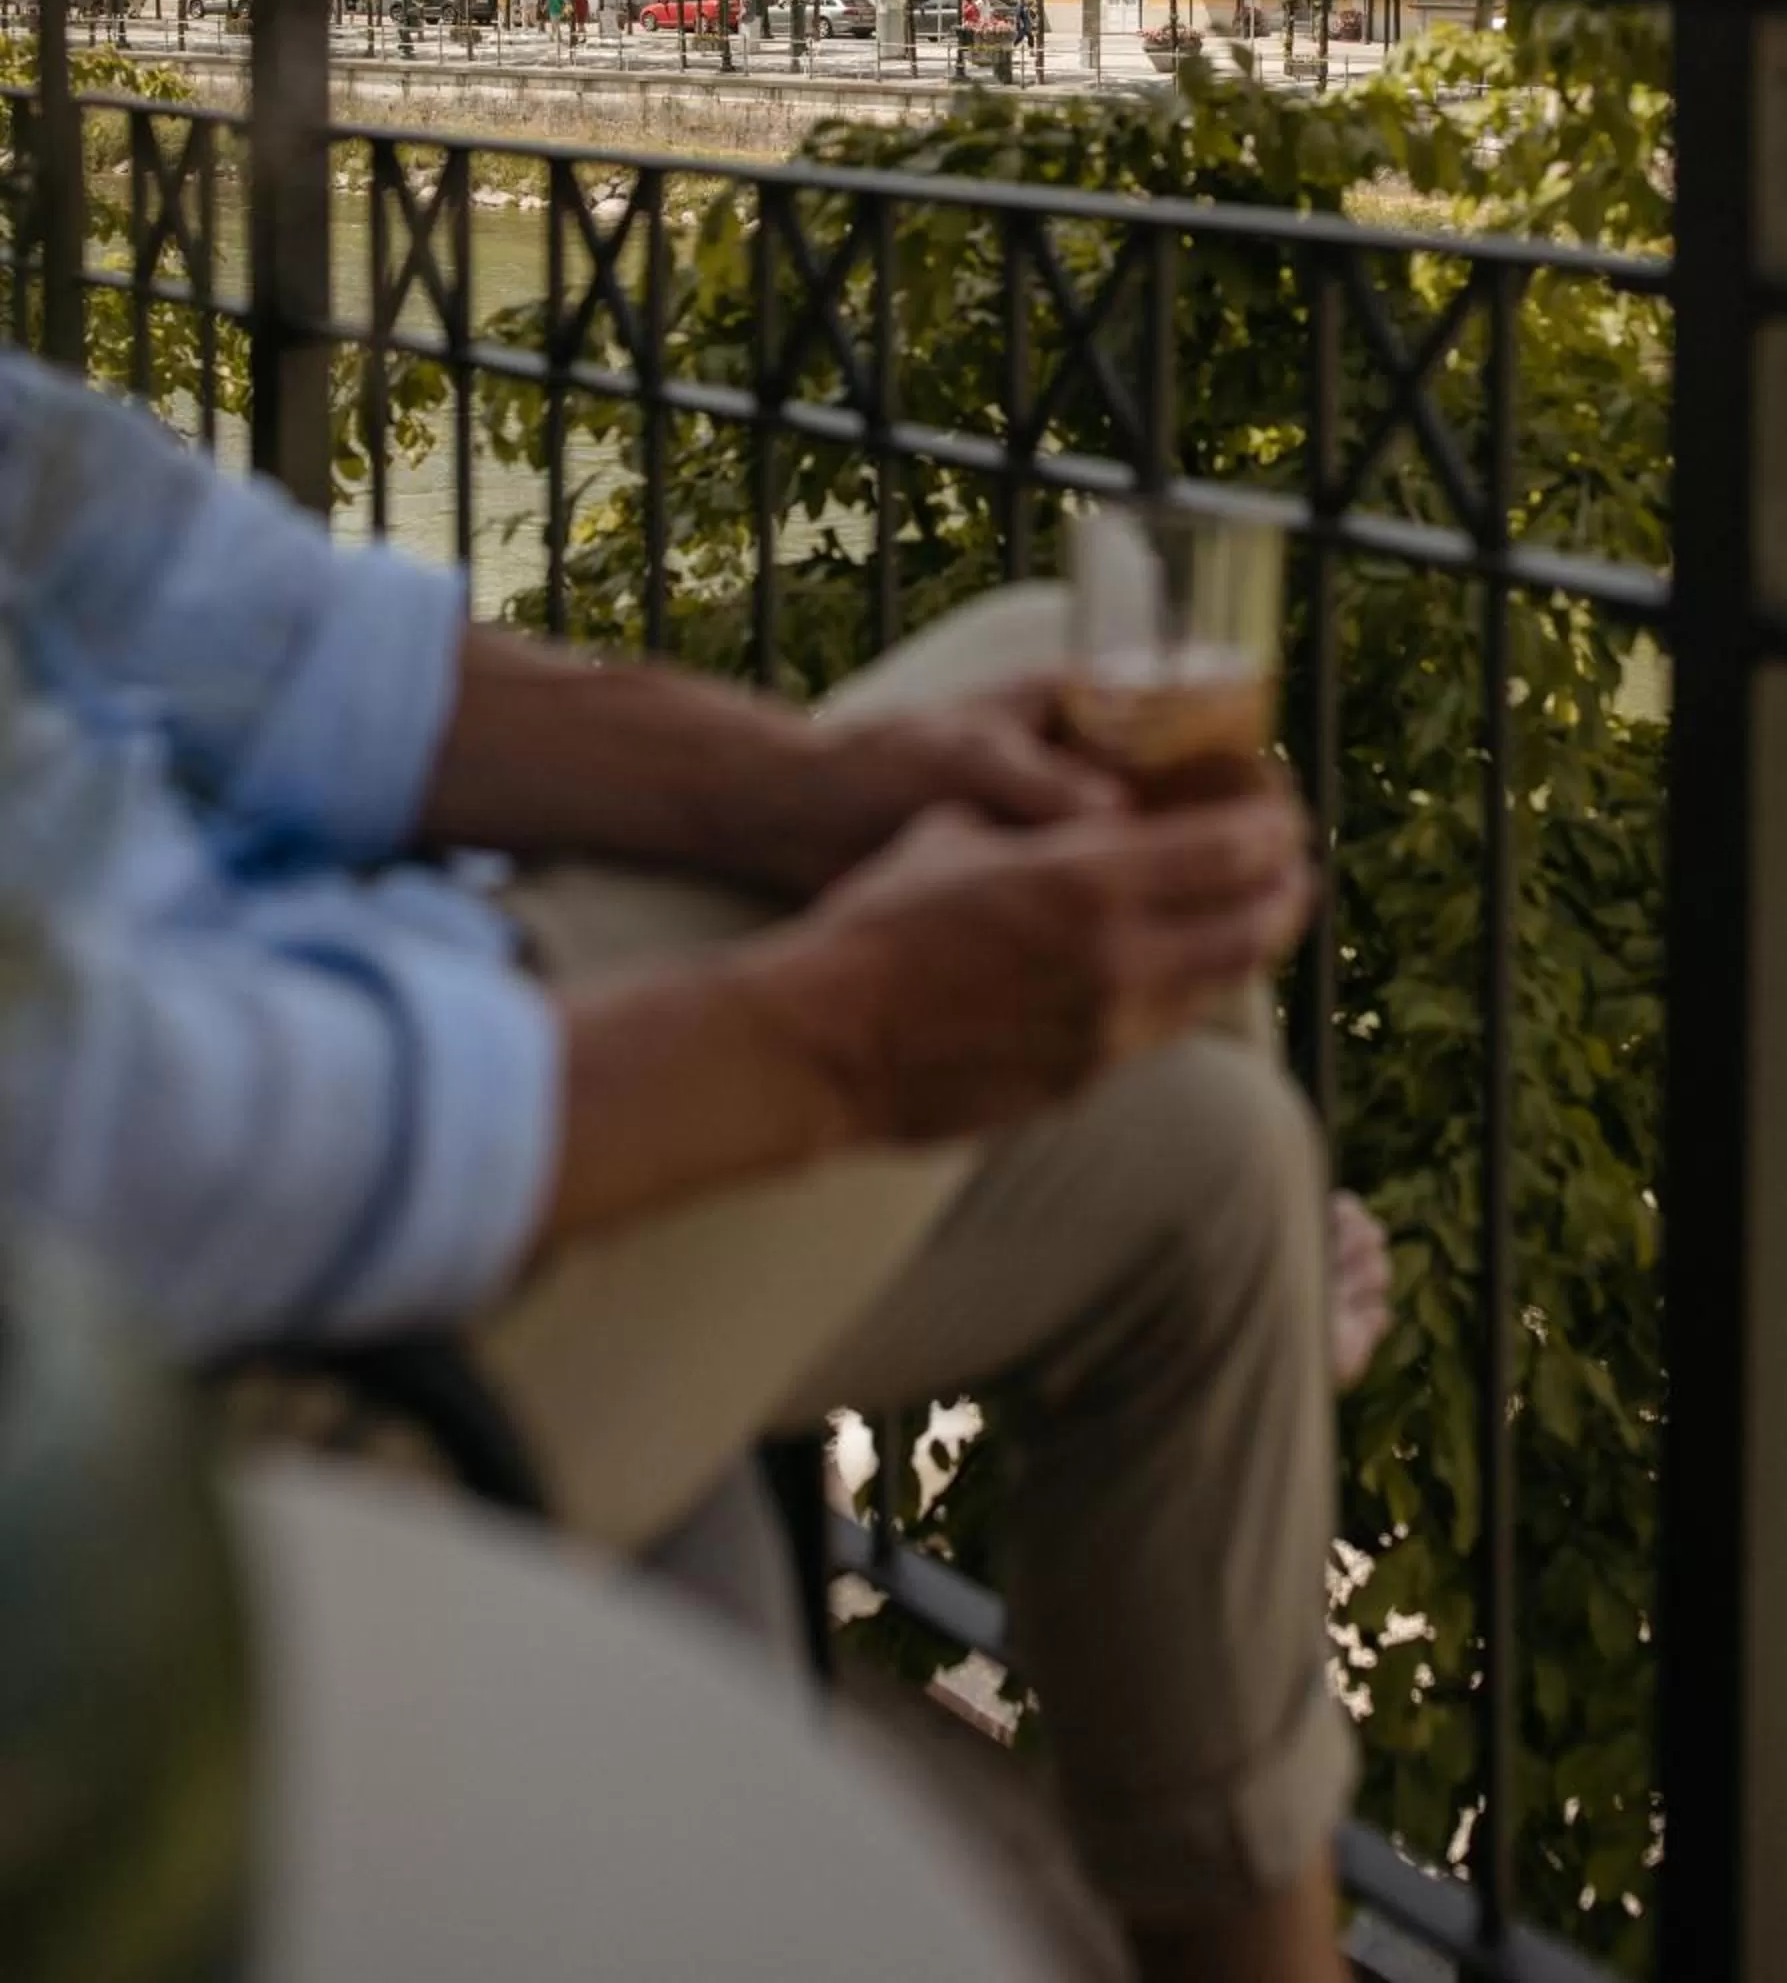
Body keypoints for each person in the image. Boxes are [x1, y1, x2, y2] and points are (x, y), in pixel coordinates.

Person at [0, 351, 1377, 1983]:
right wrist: (828, 1040)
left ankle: (1266, 1264)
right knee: (1109, 744)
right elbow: (78, 1130)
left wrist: (814, 799)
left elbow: (247, 621)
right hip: (150, 1404)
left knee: (1208, 1148)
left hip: (339, 1034)